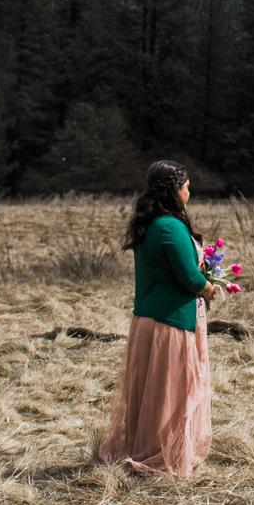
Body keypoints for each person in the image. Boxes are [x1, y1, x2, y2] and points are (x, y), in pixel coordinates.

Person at [100, 160, 220, 477]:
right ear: (175, 190)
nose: (190, 191)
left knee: (153, 393)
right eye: (187, 186)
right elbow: (188, 277)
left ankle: (152, 447)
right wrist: (207, 286)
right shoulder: (169, 227)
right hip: (169, 322)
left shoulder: (151, 224)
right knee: (173, 392)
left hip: (148, 319)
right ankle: (160, 454)